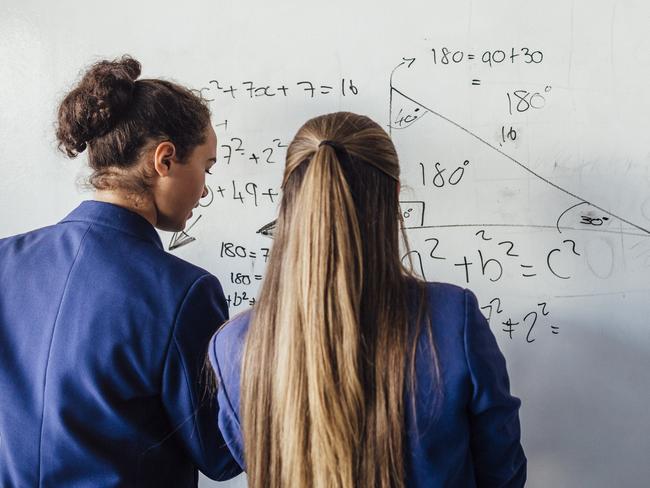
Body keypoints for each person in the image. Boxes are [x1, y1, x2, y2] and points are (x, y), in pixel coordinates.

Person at [209, 111, 527, 487]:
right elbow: (502, 472)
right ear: (394, 196)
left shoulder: (233, 347)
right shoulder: (452, 320)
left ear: (290, 200)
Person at [0, 56, 241, 487]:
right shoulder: (183, 292)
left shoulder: (5, 259)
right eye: (206, 167)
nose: (204, 190)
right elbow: (221, 453)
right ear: (164, 160)